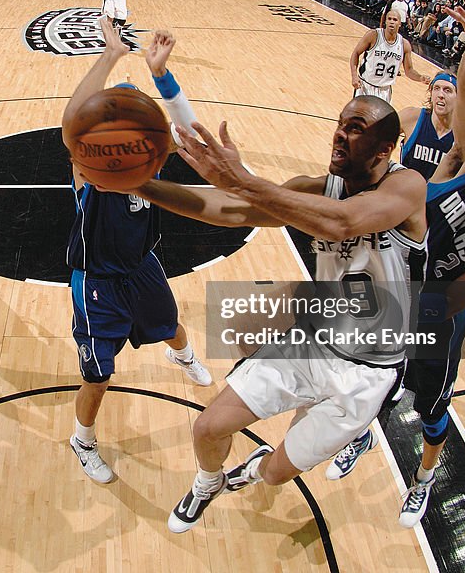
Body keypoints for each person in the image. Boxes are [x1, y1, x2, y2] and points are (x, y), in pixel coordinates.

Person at [120, 92, 427, 532]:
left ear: (385, 149)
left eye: (355, 127)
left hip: (369, 372)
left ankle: (253, 470)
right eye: (341, 122)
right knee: (209, 427)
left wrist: (244, 179)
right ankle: (209, 482)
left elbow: (342, 222)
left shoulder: (407, 187)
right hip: (314, 345)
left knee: (276, 475)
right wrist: (138, 184)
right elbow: (235, 212)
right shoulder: (314, 188)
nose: (340, 132)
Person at [326, 7, 465, 529]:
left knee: (431, 409)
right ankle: (361, 434)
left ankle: (424, 479)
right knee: (371, 377)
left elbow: (453, 299)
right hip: (398, 280)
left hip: (435, 312)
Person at [62, 16, 212, 485]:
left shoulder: (151, 155)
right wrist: (110, 56)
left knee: (172, 325)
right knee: (99, 374)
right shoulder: (91, 161)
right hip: (98, 279)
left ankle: (182, 356)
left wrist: (161, 76)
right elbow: (73, 117)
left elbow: (192, 136)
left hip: (141, 266)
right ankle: (82, 440)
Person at [349, 9, 430, 103]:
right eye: (389, 19)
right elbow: (355, 53)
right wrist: (354, 76)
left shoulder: (404, 44)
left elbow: (409, 70)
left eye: (395, 20)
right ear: (385, 21)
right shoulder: (373, 35)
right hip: (365, 86)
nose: (392, 21)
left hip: (385, 91)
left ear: (400, 23)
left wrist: (420, 77)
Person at [398, 73, 458, 181]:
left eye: (447, 90)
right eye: (436, 88)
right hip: (404, 193)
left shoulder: (462, 135)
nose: (440, 94)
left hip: (435, 197)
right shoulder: (412, 118)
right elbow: (375, 138)